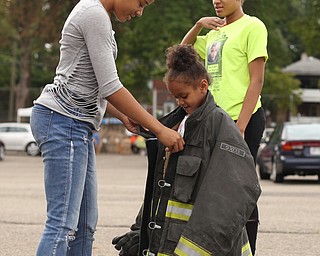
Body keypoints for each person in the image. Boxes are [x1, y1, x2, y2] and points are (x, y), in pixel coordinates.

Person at [30, 0, 185, 255]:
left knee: (85, 226)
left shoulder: (100, 16)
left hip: (78, 125)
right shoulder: (93, 13)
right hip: (63, 120)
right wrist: (159, 129)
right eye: (140, 3)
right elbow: (111, 86)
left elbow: (94, 85)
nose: (139, 12)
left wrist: (124, 115)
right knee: (62, 225)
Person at [112, 44, 261, 256]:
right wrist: (141, 230)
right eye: (176, 98)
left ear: (203, 86)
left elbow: (231, 196)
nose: (180, 102)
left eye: (184, 96)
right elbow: (162, 186)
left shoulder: (220, 126)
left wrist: (193, 251)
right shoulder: (175, 126)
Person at [181, 0, 268, 254]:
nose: (217, 0)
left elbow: (257, 80)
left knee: (239, 189)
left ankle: (248, 249)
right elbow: (182, 54)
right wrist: (198, 25)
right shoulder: (213, 34)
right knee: (211, 188)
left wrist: (240, 127)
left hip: (244, 119)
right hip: (214, 118)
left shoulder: (253, 26)